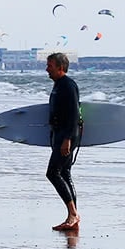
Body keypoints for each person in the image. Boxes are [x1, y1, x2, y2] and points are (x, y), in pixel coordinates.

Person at [43, 52, 81, 232]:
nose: (46, 69)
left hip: (67, 136)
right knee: (64, 173)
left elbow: (74, 115)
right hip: (60, 135)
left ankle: (73, 214)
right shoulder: (59, 85)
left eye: (49, 66)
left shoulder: (68, 85)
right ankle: (73, 216)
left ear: (60, 67)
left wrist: (67, 139)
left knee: (52, 173)